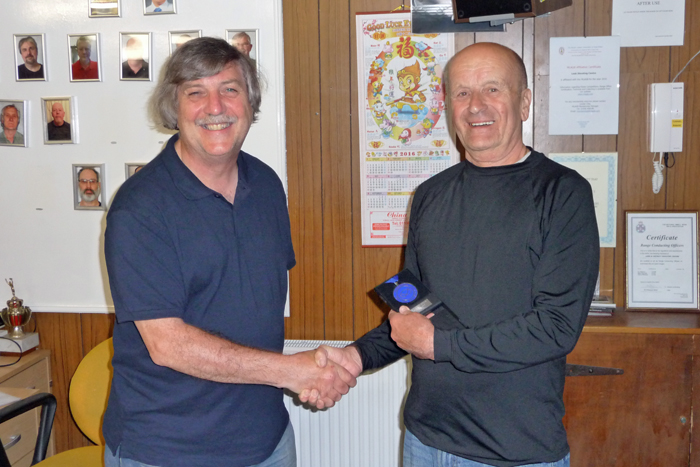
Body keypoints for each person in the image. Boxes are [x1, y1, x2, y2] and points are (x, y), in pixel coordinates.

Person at [308, 42, 600, 467]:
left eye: (492, 89)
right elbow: (414, 311)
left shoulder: (563, 193)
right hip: (425, 442)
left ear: (524, 102)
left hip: (513, 452)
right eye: (462, 92)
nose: (476, 105)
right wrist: (354, 356)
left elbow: (555, 328)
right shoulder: (429, 195)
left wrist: (440, 344)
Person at [103, 37, 355, 467]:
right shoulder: (140, 208)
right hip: (168, 450)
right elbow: (168, 345)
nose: (215, 107)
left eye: (230, 89)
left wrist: (310, 371)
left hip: (266, 442)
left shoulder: (268, 185)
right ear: (174, 108)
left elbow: (253, 306)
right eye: (196, 93)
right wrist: (291, 371)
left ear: (250, 103)